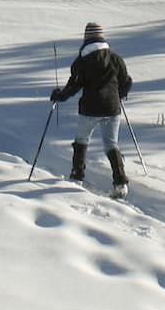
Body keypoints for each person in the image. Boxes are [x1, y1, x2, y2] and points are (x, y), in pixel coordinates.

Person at [51, 22, 133, 198]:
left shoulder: (81, 61)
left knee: (81, 141)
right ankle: (120, 183)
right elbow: (126, 81)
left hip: (89, 109)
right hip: (112, 108)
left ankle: (77, 176)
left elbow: (73, 86)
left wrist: (60, 95)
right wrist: (119, 94)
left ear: (86, 38)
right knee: (111, 145)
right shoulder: (115, 59)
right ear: (102, 37)